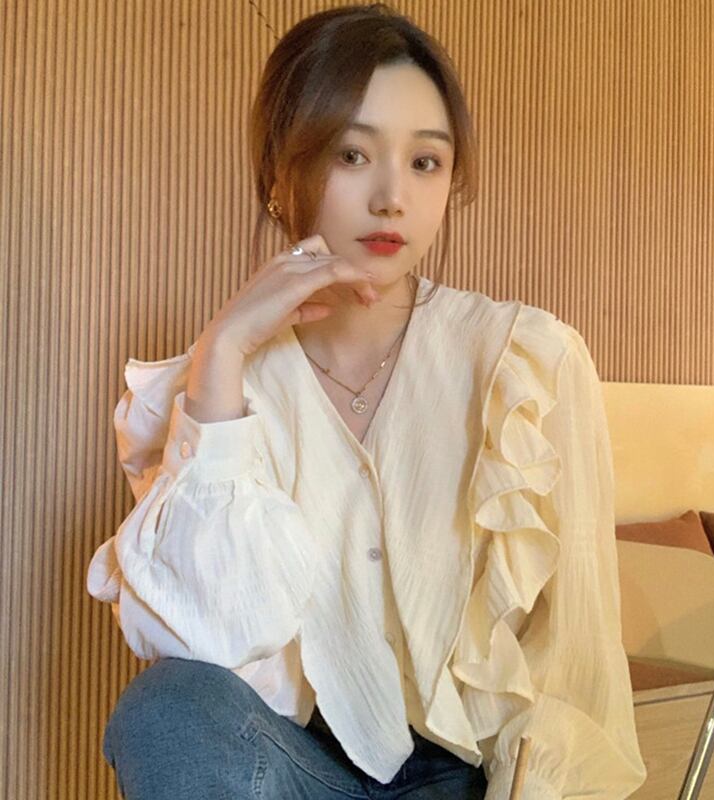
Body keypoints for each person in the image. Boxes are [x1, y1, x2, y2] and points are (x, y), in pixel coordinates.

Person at [87, 4, 648, 799]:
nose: (392, 197)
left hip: (470, 777)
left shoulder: (527, 362)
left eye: (426, 162)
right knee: (166, 710)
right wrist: (222, 361)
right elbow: (204, 639)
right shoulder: (222, 387)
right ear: (281, 176)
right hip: (294, 768)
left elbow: (574, 658)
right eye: (353, 154)